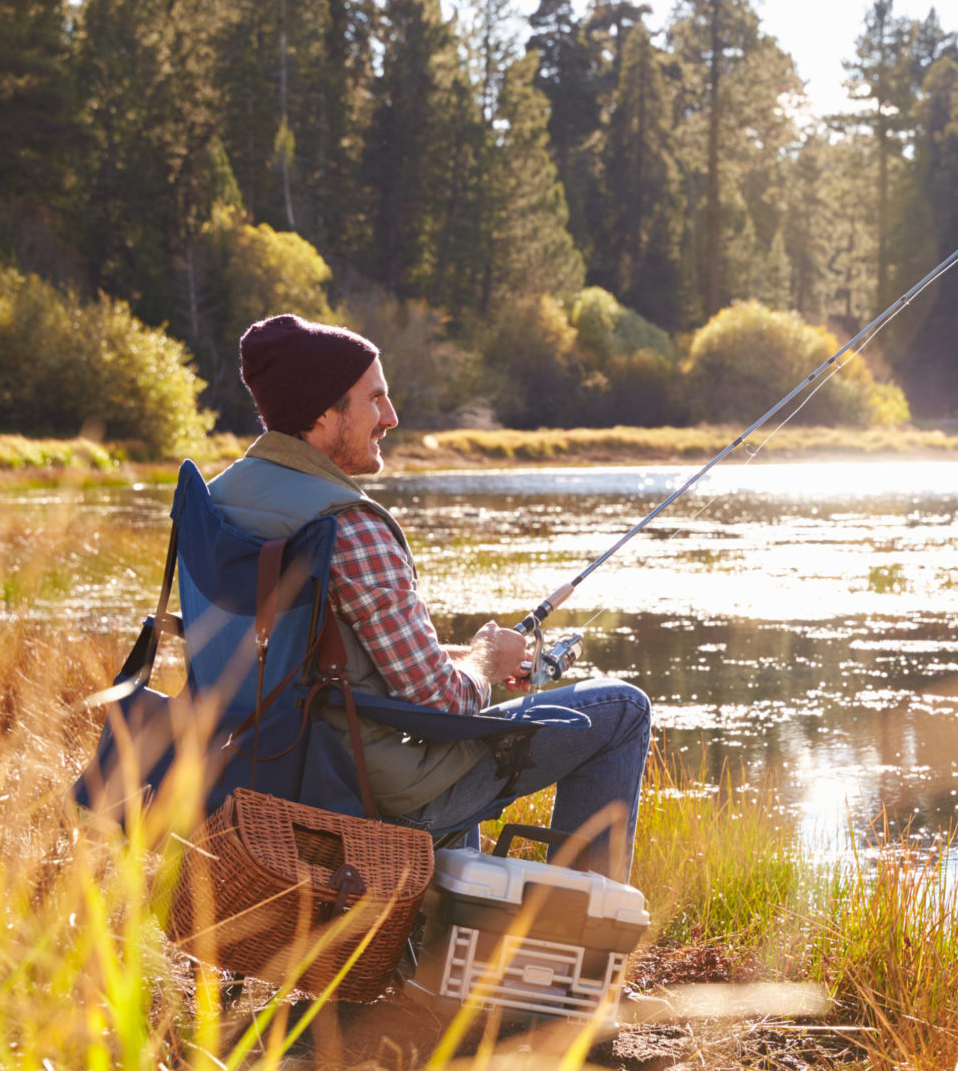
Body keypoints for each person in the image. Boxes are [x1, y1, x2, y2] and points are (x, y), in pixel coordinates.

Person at [208, 313, 649, 880]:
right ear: (322, 413)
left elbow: (328, 657)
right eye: (375, 400)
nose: (390, 417)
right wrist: (486, 660)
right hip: (371, 796)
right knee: (623, 709)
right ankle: (583, 939)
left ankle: (434, 947)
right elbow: (444, 704)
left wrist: (466, 656)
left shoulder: (220, 501)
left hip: (255, 776)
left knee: (460, 731)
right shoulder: (348, 525)